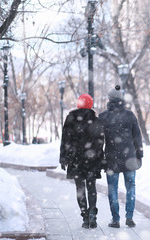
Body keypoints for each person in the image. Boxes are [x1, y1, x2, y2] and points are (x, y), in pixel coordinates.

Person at [99, 85, 143, 228]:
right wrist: (139, 154)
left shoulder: (104, 117)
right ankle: (129, 217)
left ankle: (116, 219)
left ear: (109, 99)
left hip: (112, 159)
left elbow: (99, 140)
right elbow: (137, 136)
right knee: (131, 187)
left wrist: (100, 158)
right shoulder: (130, 115)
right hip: (129, 158)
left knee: (113, 189)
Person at [59, 94, 105, 229]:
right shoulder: (96, 121)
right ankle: (92, 214)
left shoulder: (71, 119)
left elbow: (65, 140)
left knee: (80, 188)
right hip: (92, 159)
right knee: (92, 187)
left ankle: (85, 216)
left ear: (78, 104)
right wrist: (99, 157)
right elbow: (100, 142)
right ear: (91, 105)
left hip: (75, 159)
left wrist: (63, 158)